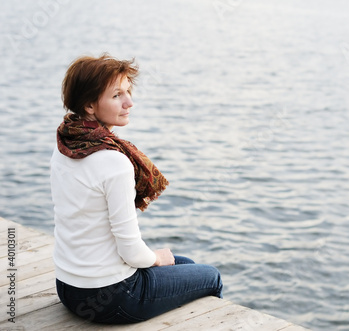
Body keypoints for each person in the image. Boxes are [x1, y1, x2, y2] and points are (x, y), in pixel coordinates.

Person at [50, 53, 223, 324]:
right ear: (90, 106)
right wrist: (156, 257)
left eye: (128, 91)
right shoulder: (114, 161)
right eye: (117, 95)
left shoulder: (65, 145)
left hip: (69, 287)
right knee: (211, 276)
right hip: (112, 295)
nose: (129, 102)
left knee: (186, 264)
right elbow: (131, 251)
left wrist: (159, 259)